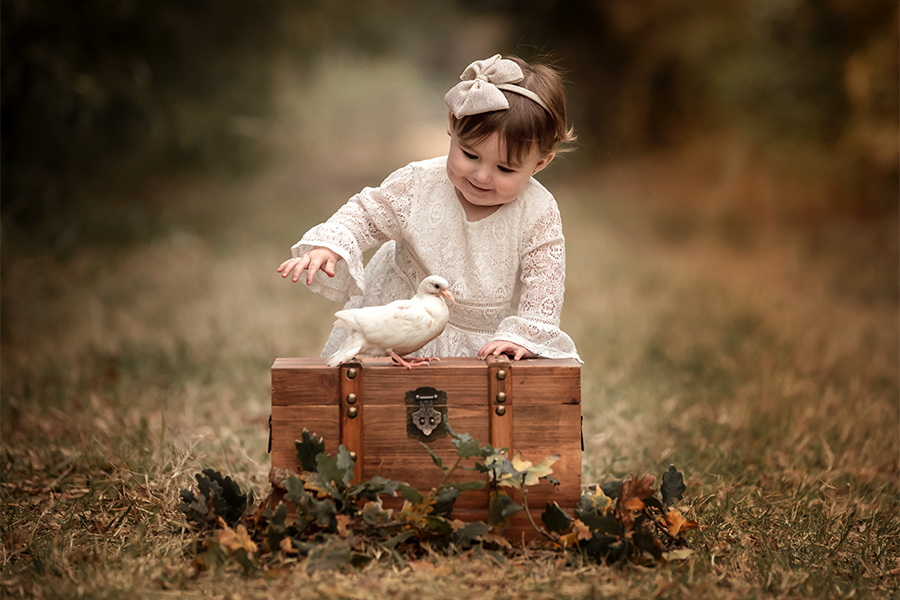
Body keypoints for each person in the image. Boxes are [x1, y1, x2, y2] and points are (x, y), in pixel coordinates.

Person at [277, 54, 581, 363]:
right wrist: (335, 244)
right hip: (401, 321)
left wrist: (524, 336)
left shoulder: (538, 212)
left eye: (505, 169)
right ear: (452, 125)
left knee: (468, 406)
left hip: (481, 341)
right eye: (470, 155)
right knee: (378, 400)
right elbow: (367, 215)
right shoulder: (418, 185)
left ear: (540, 163)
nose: (482, 175)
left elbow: (545, 283)